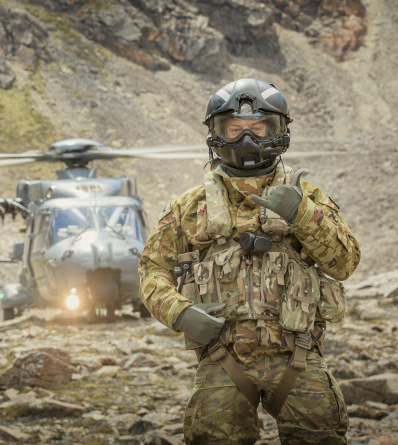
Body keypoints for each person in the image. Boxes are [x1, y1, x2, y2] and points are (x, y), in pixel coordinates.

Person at [138, 78, 360, 444]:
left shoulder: (308, 196)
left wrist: (302, 214)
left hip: (298, 356)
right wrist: (179, 312)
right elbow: (151, 270)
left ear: (279, 132)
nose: (247, 140)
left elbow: (345, 263)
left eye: (259, 128)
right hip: (221, 358)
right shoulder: (189, 207)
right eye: (235, 129)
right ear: (216, 134)